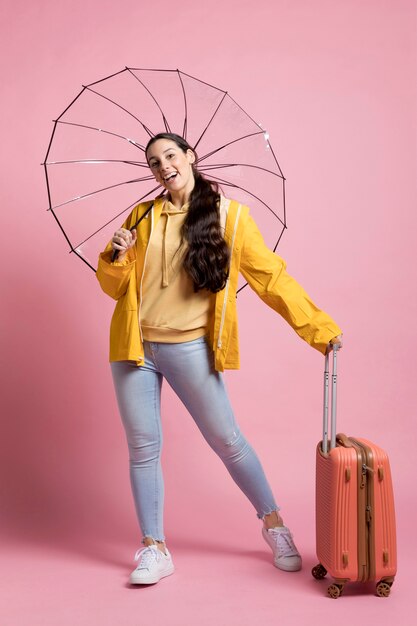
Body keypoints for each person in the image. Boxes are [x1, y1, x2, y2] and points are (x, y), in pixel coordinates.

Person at [96, 132, 343, 586]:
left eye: (170, 155)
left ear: (189, 157)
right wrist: (115, 254)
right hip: (134, 348)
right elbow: (114, 288)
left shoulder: (230, 217)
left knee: (227, 440)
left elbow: (272, 279)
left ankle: (274, 526)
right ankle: (154, 548)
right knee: (143, 448)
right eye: (154, 162)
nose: (163, 166)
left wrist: (319, 329)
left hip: (189, 347)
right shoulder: (142, 215)